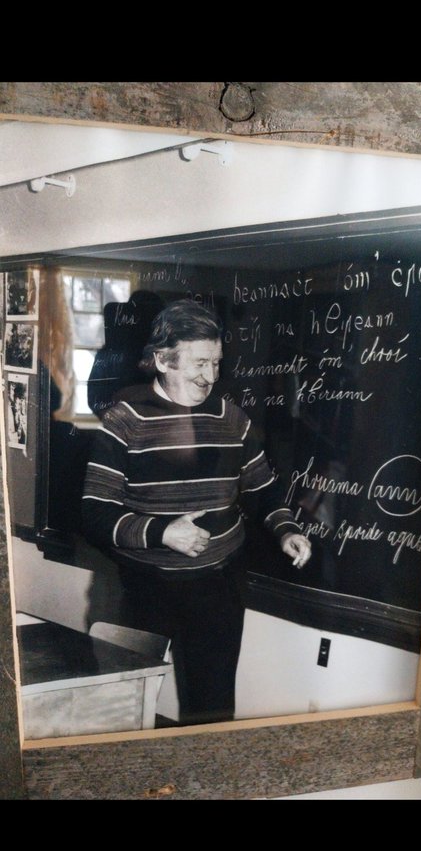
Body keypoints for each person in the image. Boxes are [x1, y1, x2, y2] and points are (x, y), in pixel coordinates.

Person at [81, 300, 312, 725]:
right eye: (199, 363)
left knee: (213, 711)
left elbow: (263, 492)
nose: (210, 377)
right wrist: (162, 533)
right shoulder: (123, 422)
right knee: (123, 710)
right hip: (142, 587)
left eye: (216, 363)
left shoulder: (233, 421)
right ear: (163, 360)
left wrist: (285, 530)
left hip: (216, 588)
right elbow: (94, 512)